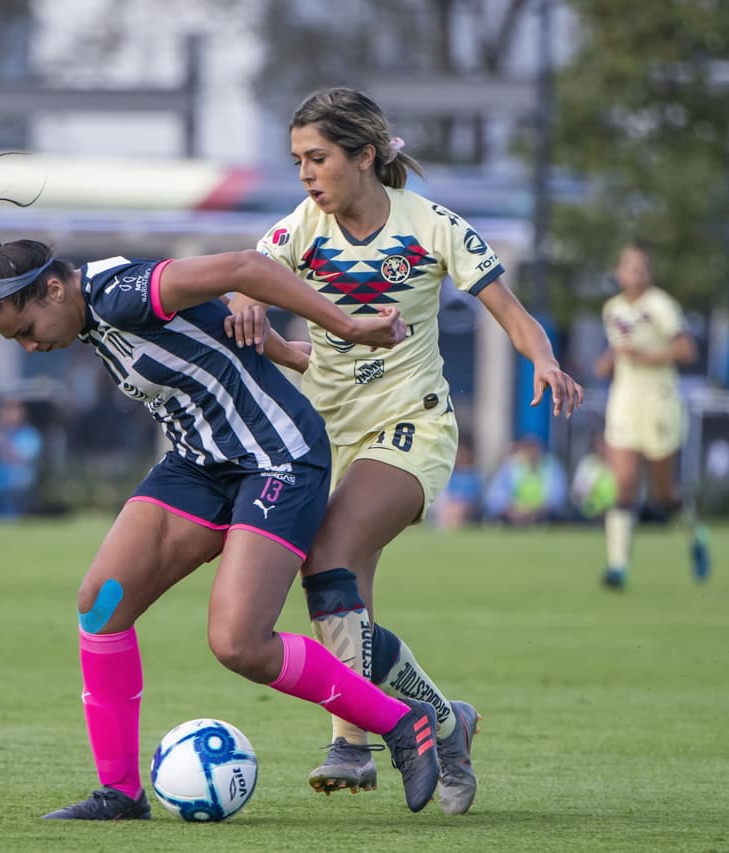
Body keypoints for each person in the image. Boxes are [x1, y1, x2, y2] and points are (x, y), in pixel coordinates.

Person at [0, 116, 443, 821]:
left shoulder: (118, 294)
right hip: (200, 465)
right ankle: (120, 791)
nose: (28, 348)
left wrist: (346, 327)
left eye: (24, 331)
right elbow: (211, 325)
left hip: (277, 460)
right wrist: (277, 349)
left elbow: (243, 269)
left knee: (238, 642)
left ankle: (399, 721)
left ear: (53, 291)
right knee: (101, 604)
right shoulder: (86, 317)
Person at [227, 87, 582, 812]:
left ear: (364, 156)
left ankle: (356, 742)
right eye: (297, 160)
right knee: (341, 589)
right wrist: (249, 311)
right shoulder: (301, 227)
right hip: (323, 432)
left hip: (410, 426)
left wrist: (541, 359)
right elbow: (246, 283)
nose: (305, 175)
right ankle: (443, 722)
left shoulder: (430, 225)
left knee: (328, 556)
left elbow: (512, 313)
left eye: (317, 158)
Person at [593, 242, 700, 590]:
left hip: (659, 402)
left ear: (649, 273)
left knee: (664, 493)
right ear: (619, 271)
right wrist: (609, 360)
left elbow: (686, 350)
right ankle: (618, 567)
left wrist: (646, 356)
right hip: (624, 401)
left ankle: (695, 535)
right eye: (628, 266)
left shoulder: (661, 306)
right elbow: (620, 344)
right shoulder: (612, 309)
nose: (634, 273)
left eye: (640, 267)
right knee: (623, 485)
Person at [483, 436, 567, 526]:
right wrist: (513, 511)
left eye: (534, 448)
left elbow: (557, 497)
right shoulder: (511, 466)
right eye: (528, 449)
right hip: (512, 515)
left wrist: (536, 511)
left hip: (543, 515)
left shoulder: (551, 466)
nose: (532, 453)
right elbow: (494, 496)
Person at [429, 440, 482, 530]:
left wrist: (461, 505)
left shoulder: (473, 476)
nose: (461, 457)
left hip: (465, 506)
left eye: (463, 454)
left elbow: (474, 496)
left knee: (457, 509)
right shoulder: (450, 473)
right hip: (449, 504)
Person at [570, 433, 617, 522]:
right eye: (600, 444)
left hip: (613, 511)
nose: (603, 448)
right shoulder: (587, 463)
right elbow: (576, 493)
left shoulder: (617, 464)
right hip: (589, 512)